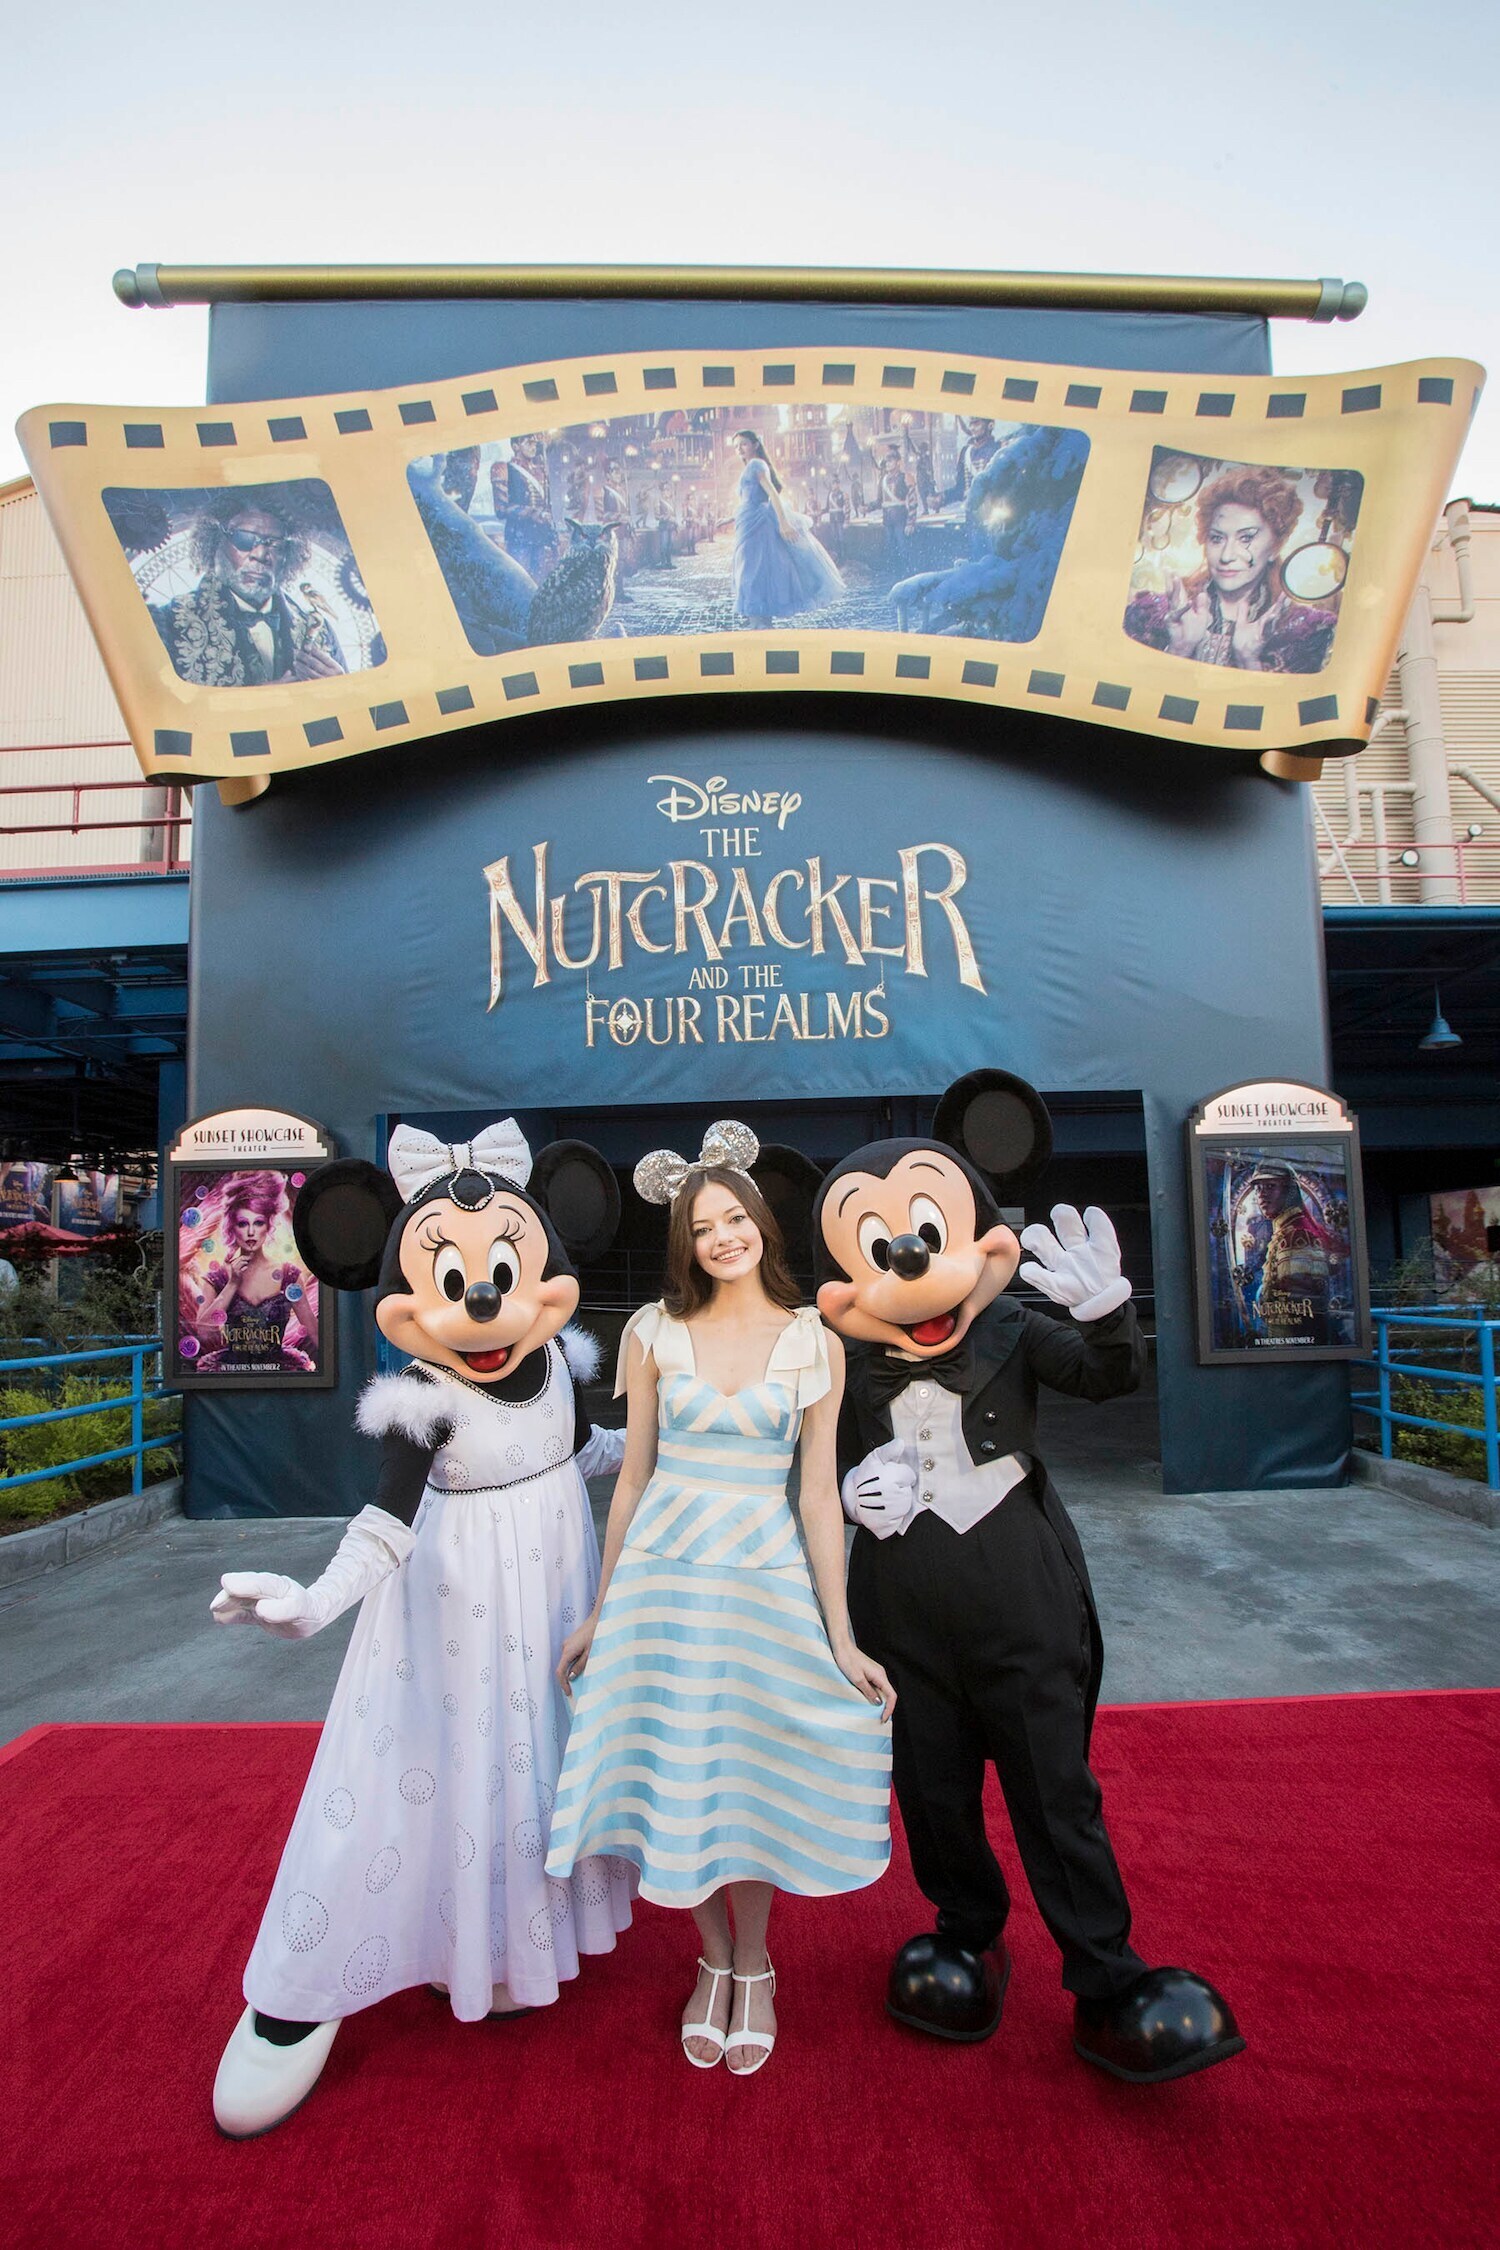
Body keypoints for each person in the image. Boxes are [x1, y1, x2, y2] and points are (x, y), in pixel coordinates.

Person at [816, 1070, 1243, 2085]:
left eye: (927, 1231)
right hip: (901, 1613)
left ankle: (1105, 1975)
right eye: (874, 1249)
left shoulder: (1007, 1325)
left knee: (1056, 1789)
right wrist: (842, 1493)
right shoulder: (833, 1361)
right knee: (932, 1787)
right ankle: (968, 1931)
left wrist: (1107, 1317)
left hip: (1022, 1598)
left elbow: (1104, 1378)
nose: (911, 1263)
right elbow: (798, 1467)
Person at [206, 1123, 632, 2137]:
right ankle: (296, 1998)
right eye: (451, 1276)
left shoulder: (563, 1369)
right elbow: (386, 1522)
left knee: (539, 1762)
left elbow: (598, 1452)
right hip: (455, 1613)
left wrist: (720, 1444)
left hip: (556, 1596)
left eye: (503, 1270)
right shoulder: (423, 1399)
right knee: (434, 1770)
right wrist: (314, 1602)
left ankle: (515, 1943)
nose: (482, 1298)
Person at [545, 1121, 894, 2076]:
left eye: (736, 1218)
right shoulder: (654, 1332)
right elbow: (629, 1480)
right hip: (663, 1581)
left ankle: (756, 1964)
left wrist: (844, 1637)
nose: (724, 1236)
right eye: (704, 1226)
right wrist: (599, 1610)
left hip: (763, 1583)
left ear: (762, 1226)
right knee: (679, 1772)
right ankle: (709, 1960)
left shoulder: (812, 1340)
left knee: (747, 1773)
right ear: (685, 1242)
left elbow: (819, 1497)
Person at [1124, 464, 1339, 673]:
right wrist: (1180, 648)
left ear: (1276, 546)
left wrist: (1248, 659)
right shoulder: (1154, 612)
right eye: (1217, 538)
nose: (1226, 556)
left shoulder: (1306, 631)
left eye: (1246, 538)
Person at [152, 498, 348, 687]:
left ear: (288, 554)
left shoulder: (320, 630)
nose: (260, 554)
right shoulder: (166, 623)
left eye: (274, 543)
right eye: (244, 539)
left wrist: (342, 688)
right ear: (214, 543)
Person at [189, 1172, 317, 1373]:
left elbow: (313, 1329)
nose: (250, 1232)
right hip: (231, 1372)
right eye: (242, 1223)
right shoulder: (218, 1278)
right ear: (232, 1226)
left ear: (269, 1225)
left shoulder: (289, 1275)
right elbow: (204, 1332)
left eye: (258, 1222)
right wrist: (232, 1284)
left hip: (280, 1372)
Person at [726, 430, 845, 627]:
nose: (740, 450)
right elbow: (752, 499)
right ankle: (760, 621)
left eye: (744, 444)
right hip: (747, 525)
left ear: (755, 445)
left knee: (752, 572)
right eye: (737, 447)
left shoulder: (756, 464)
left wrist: (783, 523)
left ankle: (760, 623)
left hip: (756, 528)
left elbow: (772, 493)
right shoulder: (751, 466)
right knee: (751, 571)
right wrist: (729, 518)